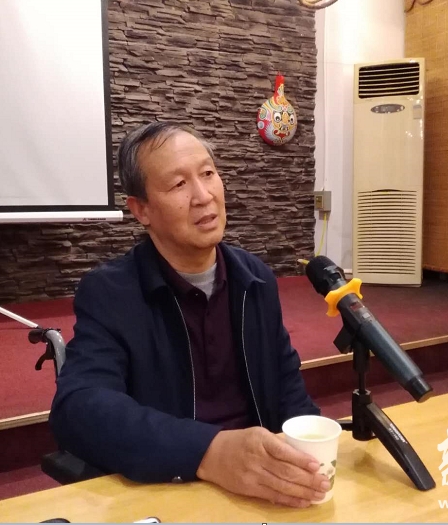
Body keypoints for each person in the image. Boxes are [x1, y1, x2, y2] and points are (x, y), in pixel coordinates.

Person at [49, 122, 330, 508]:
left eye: (208, 174)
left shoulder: (255, 279)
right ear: (141, 209)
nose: (203, 195)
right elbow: (79, 409)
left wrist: (309, 456)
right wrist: (208, 450)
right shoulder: (111, 293)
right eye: (179, 184)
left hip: (261, 489)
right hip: (169, 487)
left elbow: (287, 386)